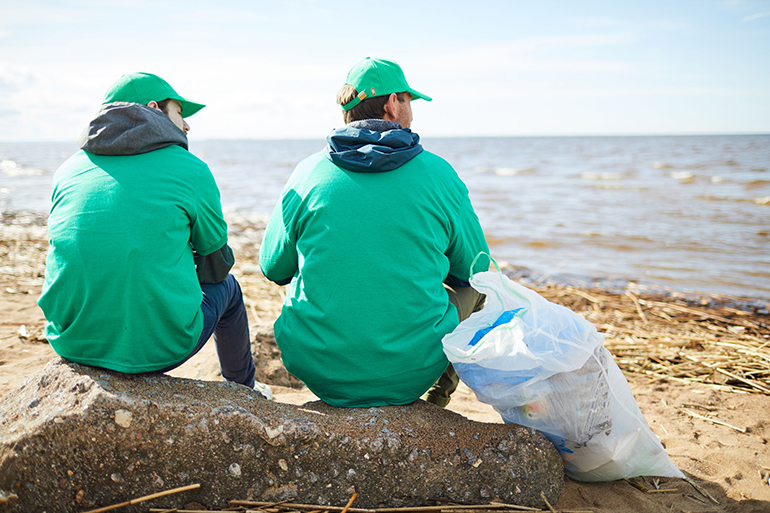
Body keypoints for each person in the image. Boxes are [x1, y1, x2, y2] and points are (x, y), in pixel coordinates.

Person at [259, 57, 489, 408]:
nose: (411, 109)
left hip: (317, 367)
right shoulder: (439, 174)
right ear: (392, 104)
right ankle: (436, 400)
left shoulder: (307, 173)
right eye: (409, 100)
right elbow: (476, 270)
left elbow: (273, 268)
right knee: (483, 289)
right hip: (413, 370)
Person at [38, 72, 271, 399]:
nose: (187, 125)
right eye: (179, 113)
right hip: (158, 350)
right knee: (228, 289)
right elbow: (216, 265)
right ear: (153, 108)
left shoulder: (67, 170)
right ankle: (245, 390)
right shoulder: (190, 168)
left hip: (71, 339)